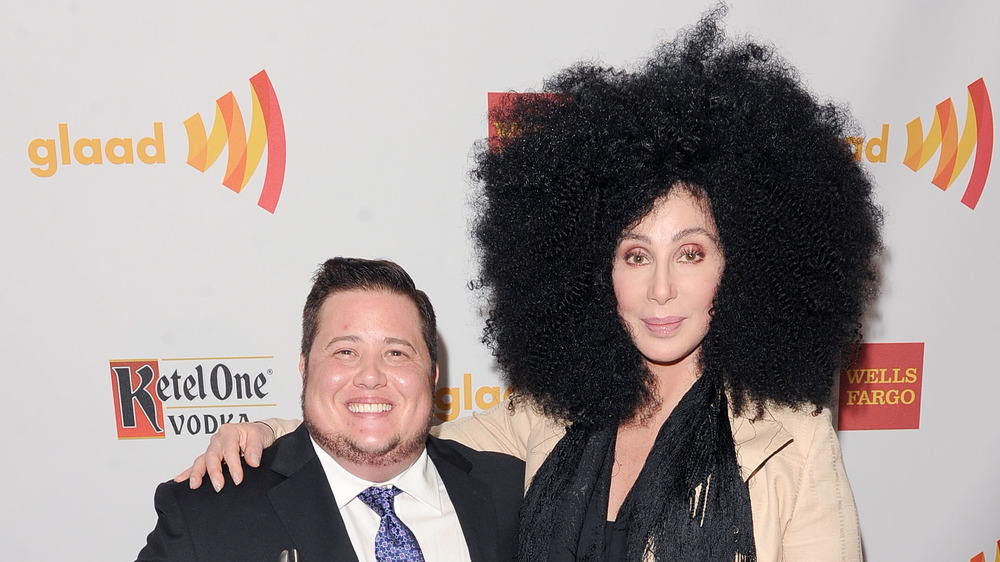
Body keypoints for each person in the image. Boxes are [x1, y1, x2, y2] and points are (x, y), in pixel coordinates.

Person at [177, 11, 881, 562]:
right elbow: (393, 435)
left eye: (691, 254)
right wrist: (264, 432)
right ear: (595, 271)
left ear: (742, 264)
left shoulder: (790, 435)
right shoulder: (548, 414)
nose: (661, 289)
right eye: (634, 256)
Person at [139, 258, 524, 562]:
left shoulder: (515, 492)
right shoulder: (206, 514)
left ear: (433, 375)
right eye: (345, 351)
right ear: (305, 368)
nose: (370, 376)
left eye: (396, 353)